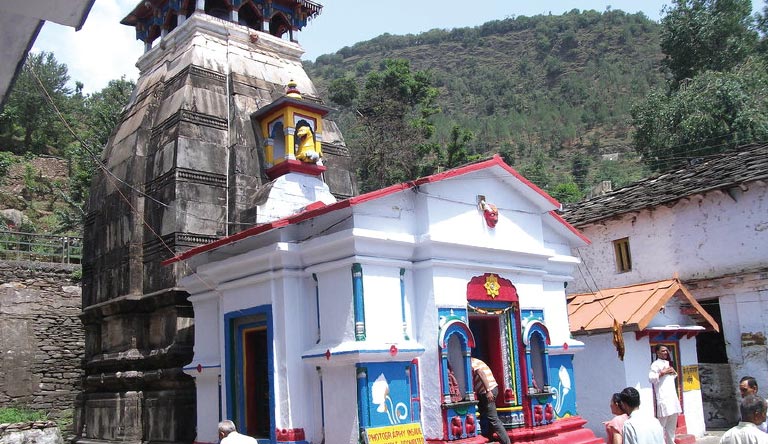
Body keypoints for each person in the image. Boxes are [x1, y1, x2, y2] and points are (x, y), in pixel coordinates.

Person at [471, 357, 511, 444]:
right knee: (484, 414)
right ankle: (490, 437)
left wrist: (488, 391)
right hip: (488, 390)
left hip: (488, 391)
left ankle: (507, 442)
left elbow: (480, 373)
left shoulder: (472, 363)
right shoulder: (477, 361)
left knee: (493, 418)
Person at [649, 344, 682, 444]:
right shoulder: (655, 364)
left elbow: (673, 376)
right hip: (663, 398)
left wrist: (671, 371)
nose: (665, 352)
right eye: (663, 351)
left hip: (672, 398)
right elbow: (651, 378)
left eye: (666, 351)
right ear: (657, 352)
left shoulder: (668, 363)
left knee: (671, 428)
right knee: (660, 426)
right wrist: (662, 373)